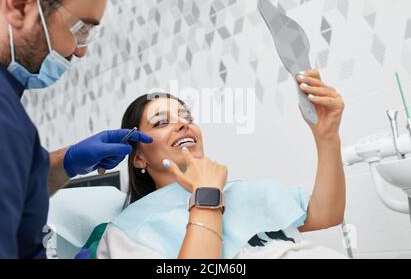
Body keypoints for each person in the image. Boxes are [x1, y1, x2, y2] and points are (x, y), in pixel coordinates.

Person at [0, 0, 152, 258]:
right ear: (20, 6)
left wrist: (63, 163)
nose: (81, 51)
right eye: (81, 28)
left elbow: (5, 194)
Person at [93, 70, 347, 259]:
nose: (183, 124)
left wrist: (327, 137)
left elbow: (326, 214)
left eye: (186, 117)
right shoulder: (129, 230)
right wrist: (206, 194)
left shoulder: (242, 191)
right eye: (161, 122)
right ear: (139, 158)